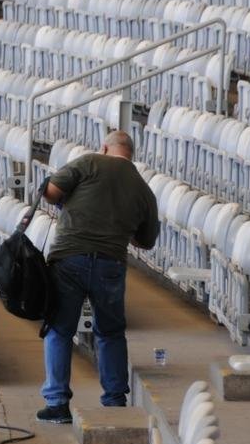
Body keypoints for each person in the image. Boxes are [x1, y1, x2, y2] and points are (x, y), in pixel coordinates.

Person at [37, 130, 159, 424]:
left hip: (69, 257)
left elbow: (50, 190)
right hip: (110, 264)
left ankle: (57, 404)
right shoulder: (144, 190)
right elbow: (145, 241)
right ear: (131, 153)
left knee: (59, 330)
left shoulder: (89, 162)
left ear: (105, 147)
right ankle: (115, 401)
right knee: (110, 332)